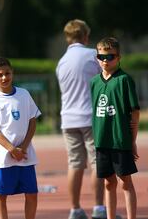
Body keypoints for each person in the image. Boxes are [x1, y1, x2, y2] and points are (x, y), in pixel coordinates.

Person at [55, 19, 106, 219]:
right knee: (96, 162)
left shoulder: (61, 62)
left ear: (68, 38)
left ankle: (75, 208)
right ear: (85, 36)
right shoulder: (93, 55)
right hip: (91, 117)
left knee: (75, 164)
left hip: (68, 118)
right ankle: (99, 208)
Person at [0, 57, 40, 219]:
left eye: (7, 73)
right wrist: (12, 149)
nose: (4, 78)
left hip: (25, 155)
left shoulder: (24, 94)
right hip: (4, 157)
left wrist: (23, 147)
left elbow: (32, 120)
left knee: (31, 193)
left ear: (12, 73)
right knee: (1, 194)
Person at [91, 37, 139, 219]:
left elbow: (134, 113)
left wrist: (132, 140)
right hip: (102, 140)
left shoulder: (124, 80)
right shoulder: (94, 82)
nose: (105, 60)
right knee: (108, 182)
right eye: (101, 56)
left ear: (118, 58)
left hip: (120, 140)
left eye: (110, 57)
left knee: (125, 182)